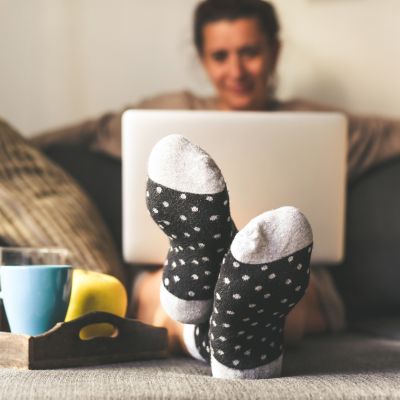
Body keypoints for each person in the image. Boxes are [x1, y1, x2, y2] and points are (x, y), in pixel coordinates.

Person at [32, 0, 400, 378]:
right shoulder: (170, 110)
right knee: (159, 288)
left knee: (283, 291)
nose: (236, 70)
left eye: (250, 53)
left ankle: (214, 318)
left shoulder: (323, 125)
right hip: (165, 263)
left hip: (292, 271)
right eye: (220, 56)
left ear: (275, 51)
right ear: (202, 58)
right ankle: (229, 332)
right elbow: (85, 133)